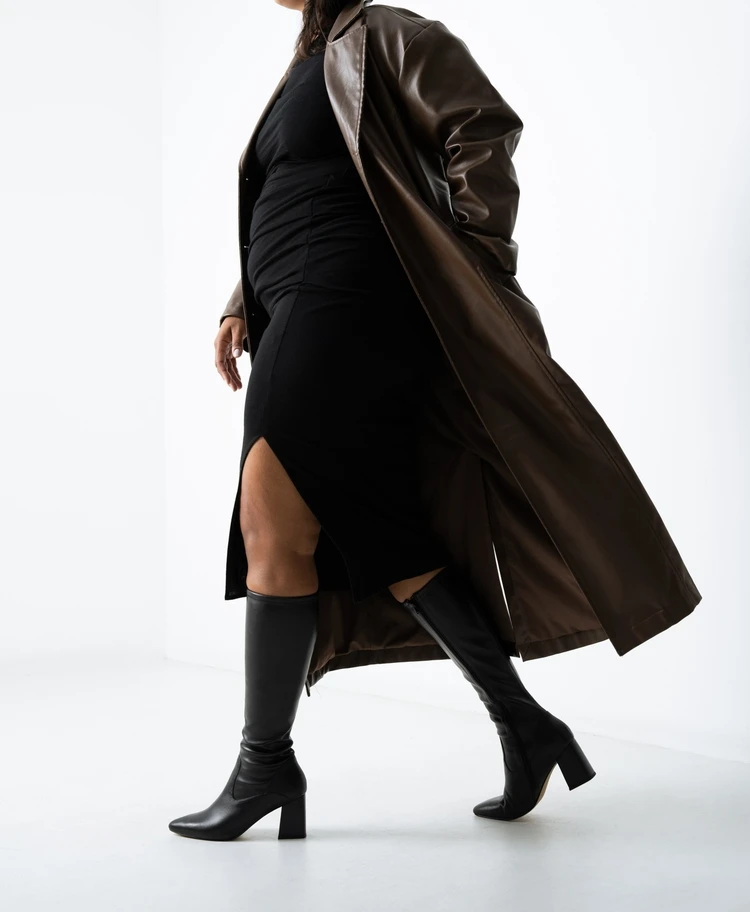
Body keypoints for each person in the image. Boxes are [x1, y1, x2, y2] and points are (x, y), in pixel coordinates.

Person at [167, 0, 600, 841]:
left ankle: (264, 767)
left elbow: (481, 128)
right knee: (370, 527)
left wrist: (464, 268)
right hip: (292, 299)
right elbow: (295, 189)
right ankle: (525, 725)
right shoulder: (311, 58)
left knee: (270, 512)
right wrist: (239, 299)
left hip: (343, 295)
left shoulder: (392, 34)